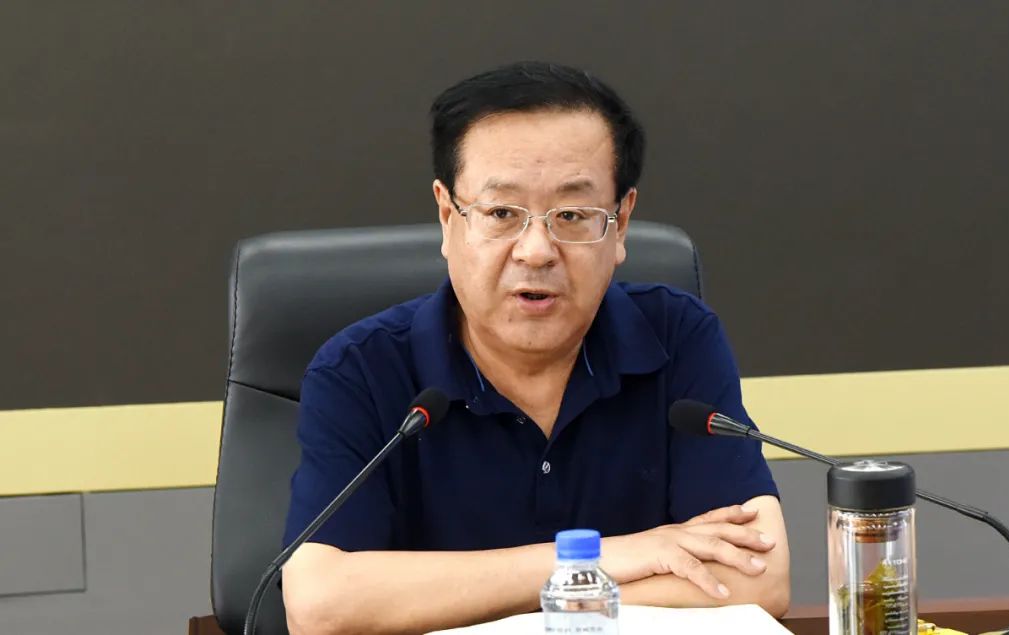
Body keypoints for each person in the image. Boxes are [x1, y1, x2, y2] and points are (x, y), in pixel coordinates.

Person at [281, 61, 790, 635]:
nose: (536, 250)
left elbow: (759, 578)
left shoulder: (676, 338)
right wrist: (608, 558)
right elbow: (320, 605)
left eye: (572, 215)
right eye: (502, 213)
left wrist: (482, 600)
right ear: (449, 217)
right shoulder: (360, 370)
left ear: (621, 223)